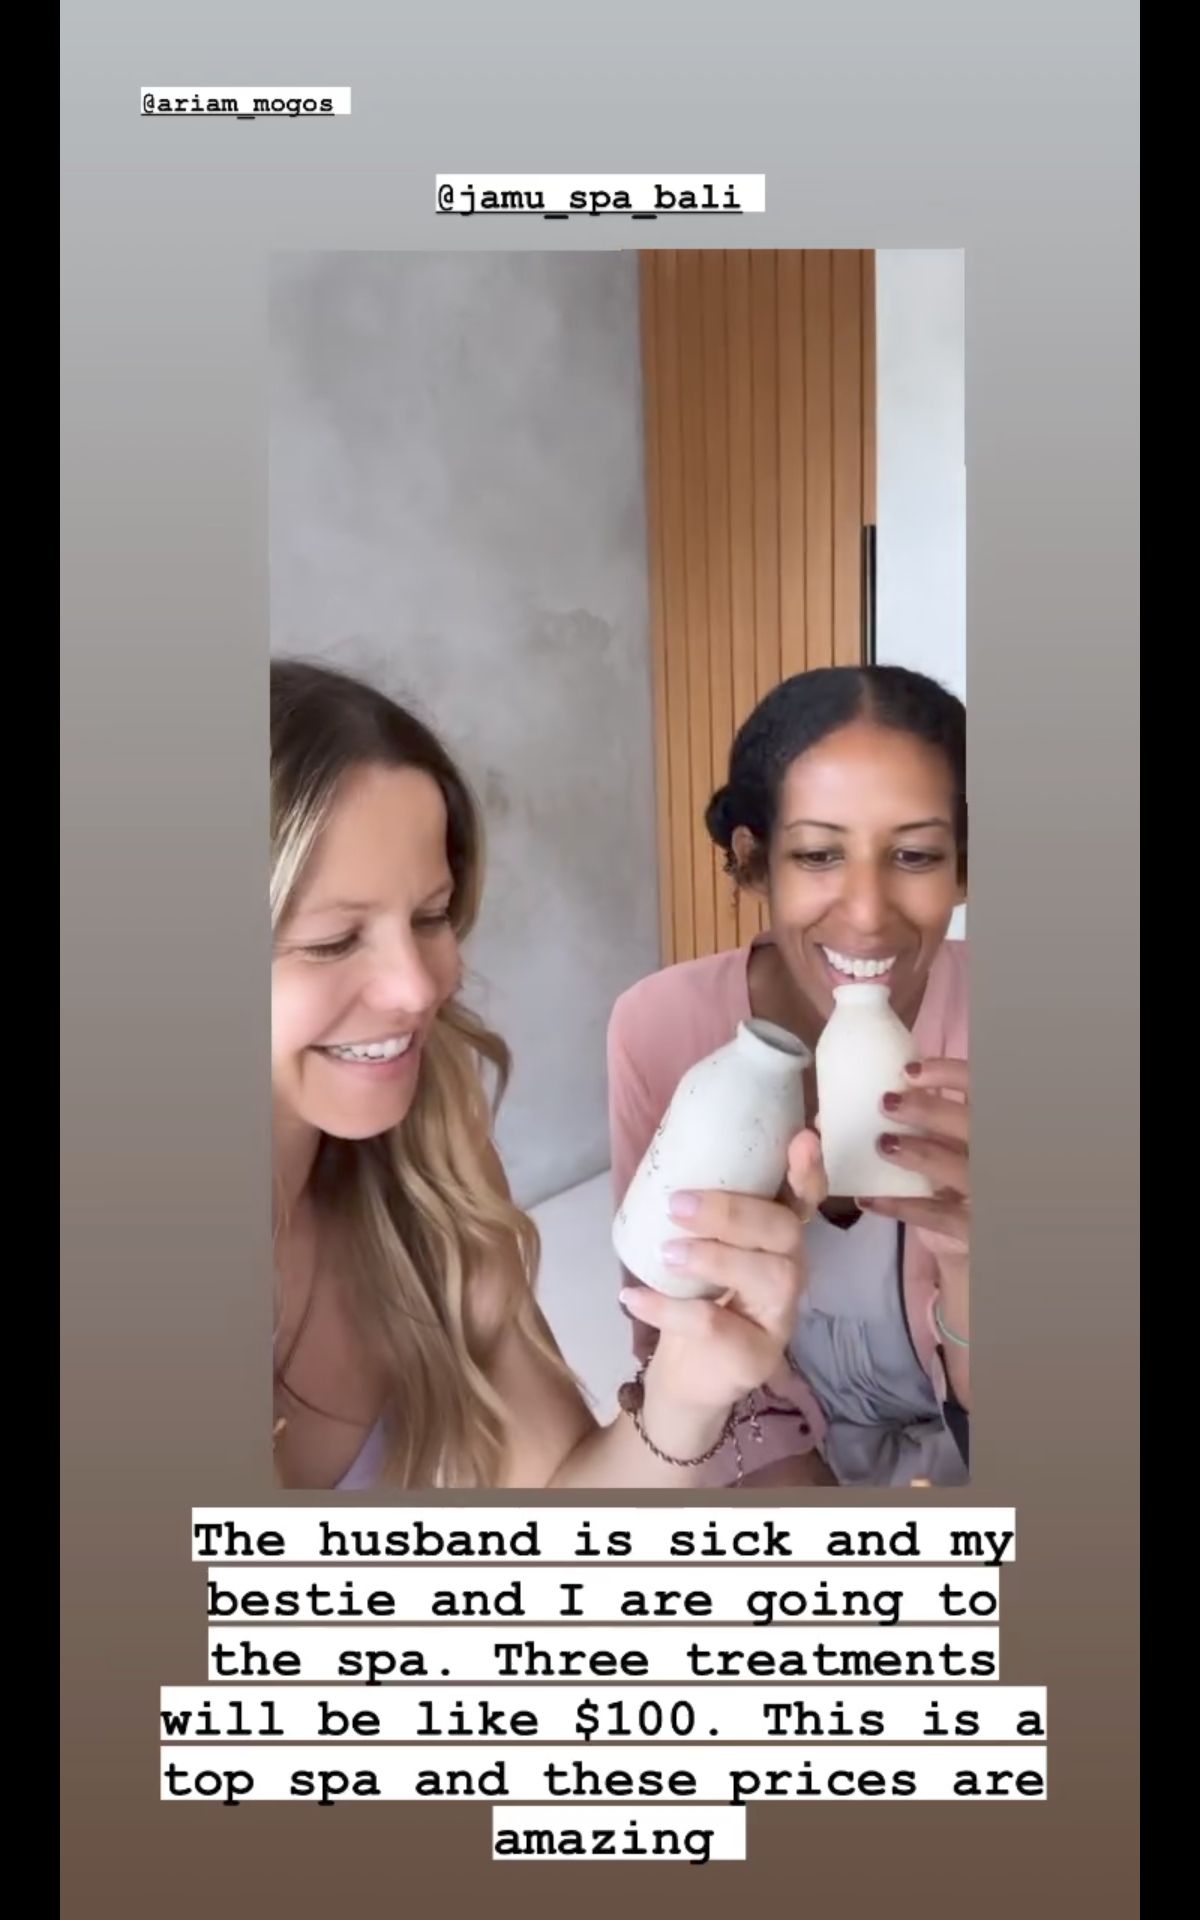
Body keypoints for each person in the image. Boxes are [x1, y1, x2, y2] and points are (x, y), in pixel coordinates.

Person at [270, 657, 831, 1491]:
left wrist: (685, 1393)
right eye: (332, 941)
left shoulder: (429, 1164)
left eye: (432, 916)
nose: (419, 989)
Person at [607, 665, 970, 1488]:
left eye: (916, 854)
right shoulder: (657, 1026)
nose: (868, 912)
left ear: (963, 866)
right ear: (754, 860)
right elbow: (669, 1337)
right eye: (817, 854)